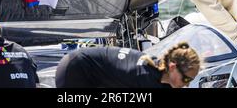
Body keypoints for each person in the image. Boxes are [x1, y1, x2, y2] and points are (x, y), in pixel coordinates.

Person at [55, 42, 201, 88]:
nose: (187, 85)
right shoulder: (146, 79)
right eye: (186, 79)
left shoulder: (159, 68)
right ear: (173, 67)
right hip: (75, 70)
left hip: (84, 65)